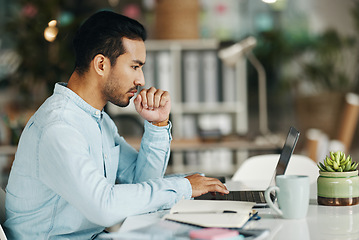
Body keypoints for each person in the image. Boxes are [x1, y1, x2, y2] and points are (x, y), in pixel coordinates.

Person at [3, 10, 228, 239]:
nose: (141, 80)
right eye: (134, 66)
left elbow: (142, 182)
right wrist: (184, 187)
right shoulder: (59, 127)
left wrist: (158, 125)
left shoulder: (98, 120)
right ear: (101, 64)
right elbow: (104, 207)